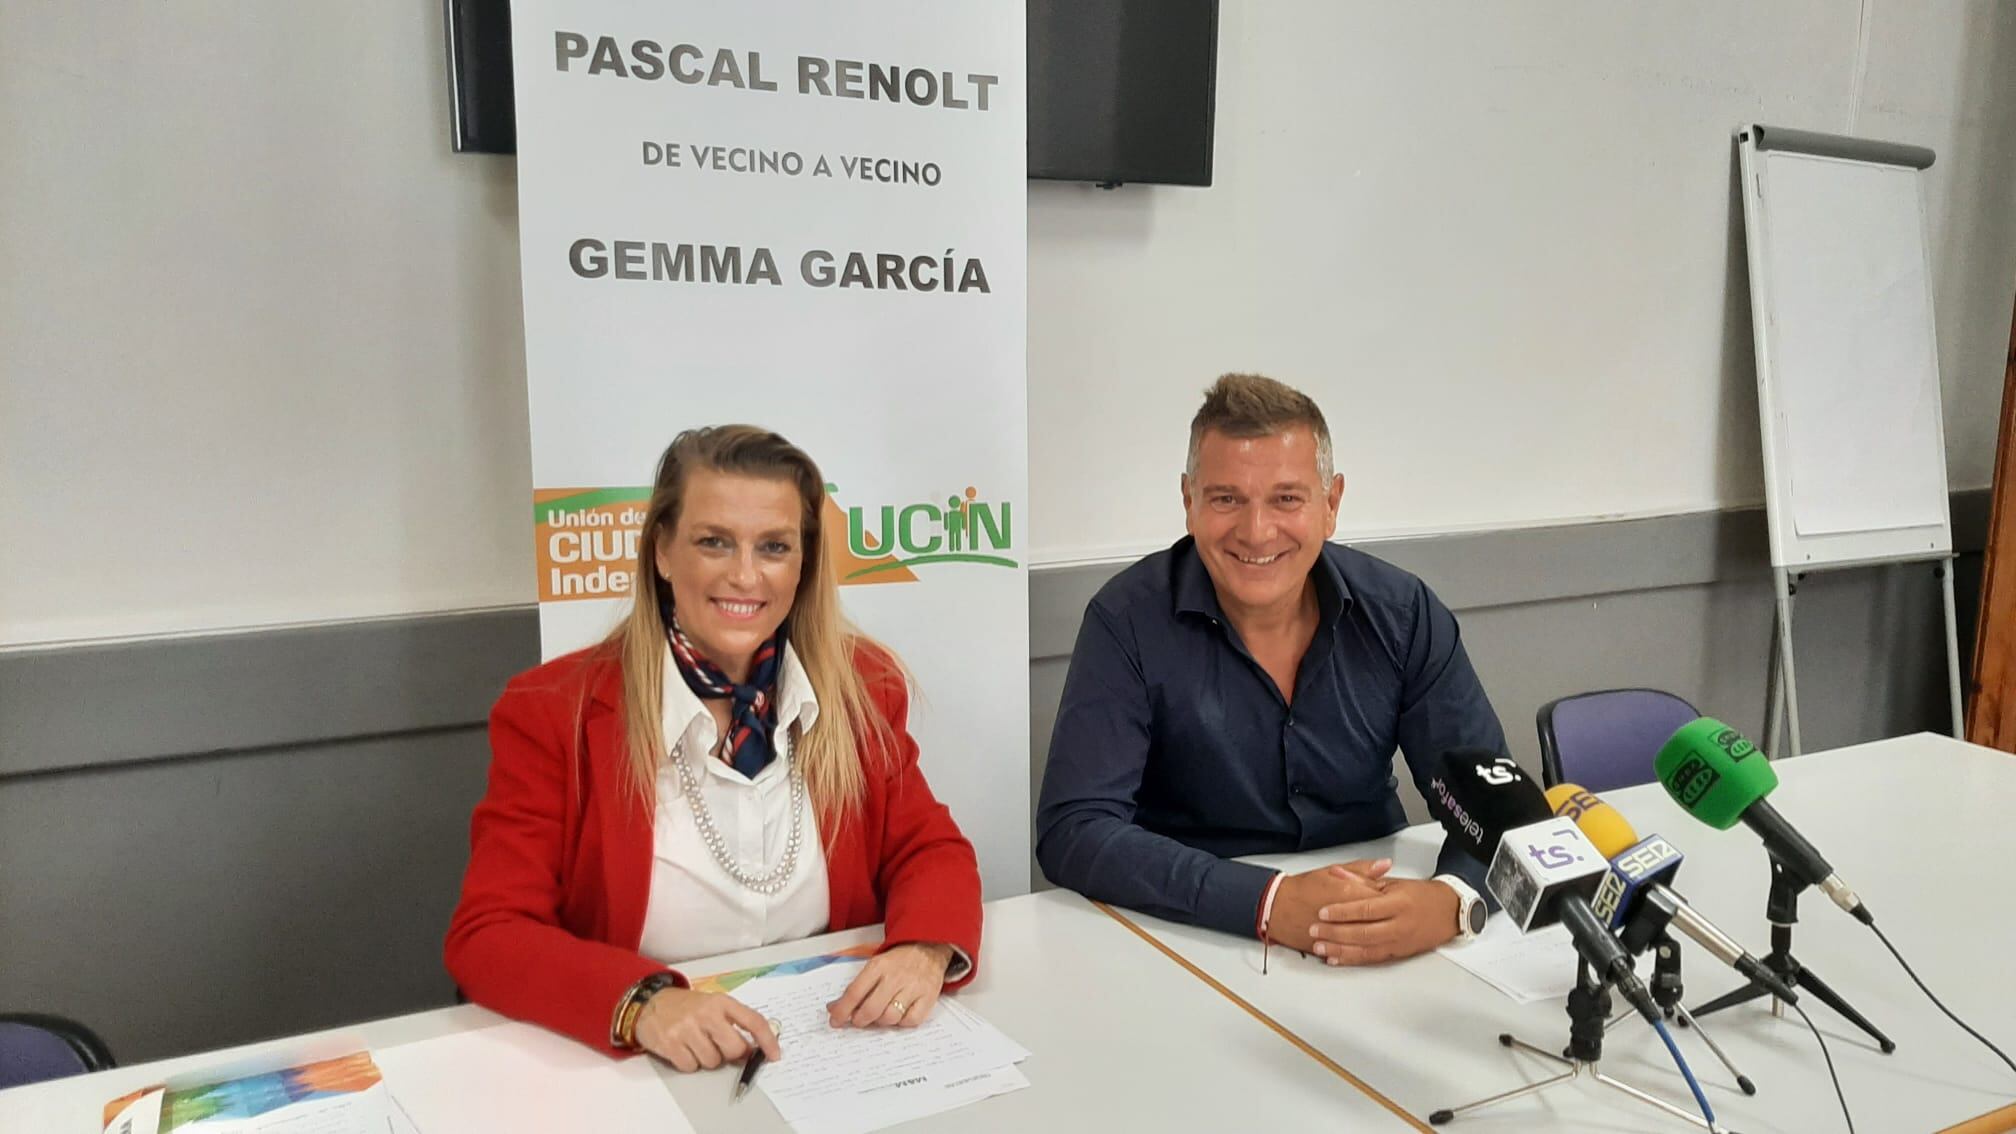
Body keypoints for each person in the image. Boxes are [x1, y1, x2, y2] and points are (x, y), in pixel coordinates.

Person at [447, 425, 982, 1071]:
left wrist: (923, 950)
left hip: (833, 1048)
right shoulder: (553, 710)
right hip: (649, 1068)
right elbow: (491, 934)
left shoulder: (862, 685)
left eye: (775, 546)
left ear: (804, 562)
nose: (745, 575)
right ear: (664, 552)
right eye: (714, 542)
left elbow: (928, 848)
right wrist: (643, 1005)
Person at [1036, 373, 1509, 966]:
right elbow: (1075, 829)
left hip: (1386, 932)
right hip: (1198, 942)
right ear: (1189, 502)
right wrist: (1267, 902)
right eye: (1226, 498)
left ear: (1330, 504)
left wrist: (1454, 901)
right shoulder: (1125, 619)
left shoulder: (1404, 614)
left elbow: (1499, 807)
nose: (1256, 532)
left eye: (1286, 498)